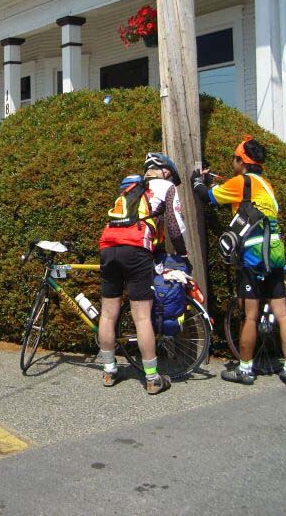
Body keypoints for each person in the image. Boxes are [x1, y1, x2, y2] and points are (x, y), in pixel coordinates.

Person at [191, 135, 286, 386]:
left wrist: (197, 181)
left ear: (242, 161)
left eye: (234, 158)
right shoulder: (266, 184)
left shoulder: (241, 182)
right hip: (275, 251)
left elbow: (208, 197)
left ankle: (245, 369)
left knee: (250, 316)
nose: (232, 162)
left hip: (253, 254)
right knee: (282, 313)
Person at [97, 152, 189, 394]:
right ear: (167, 172)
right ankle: (152, 378)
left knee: (108, 314)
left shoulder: (130, 187)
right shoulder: (167, 186)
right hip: (136, 250)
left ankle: (108, 371)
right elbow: (174, 226)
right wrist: (183, 253)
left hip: (107, 246)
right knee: (142, 317)